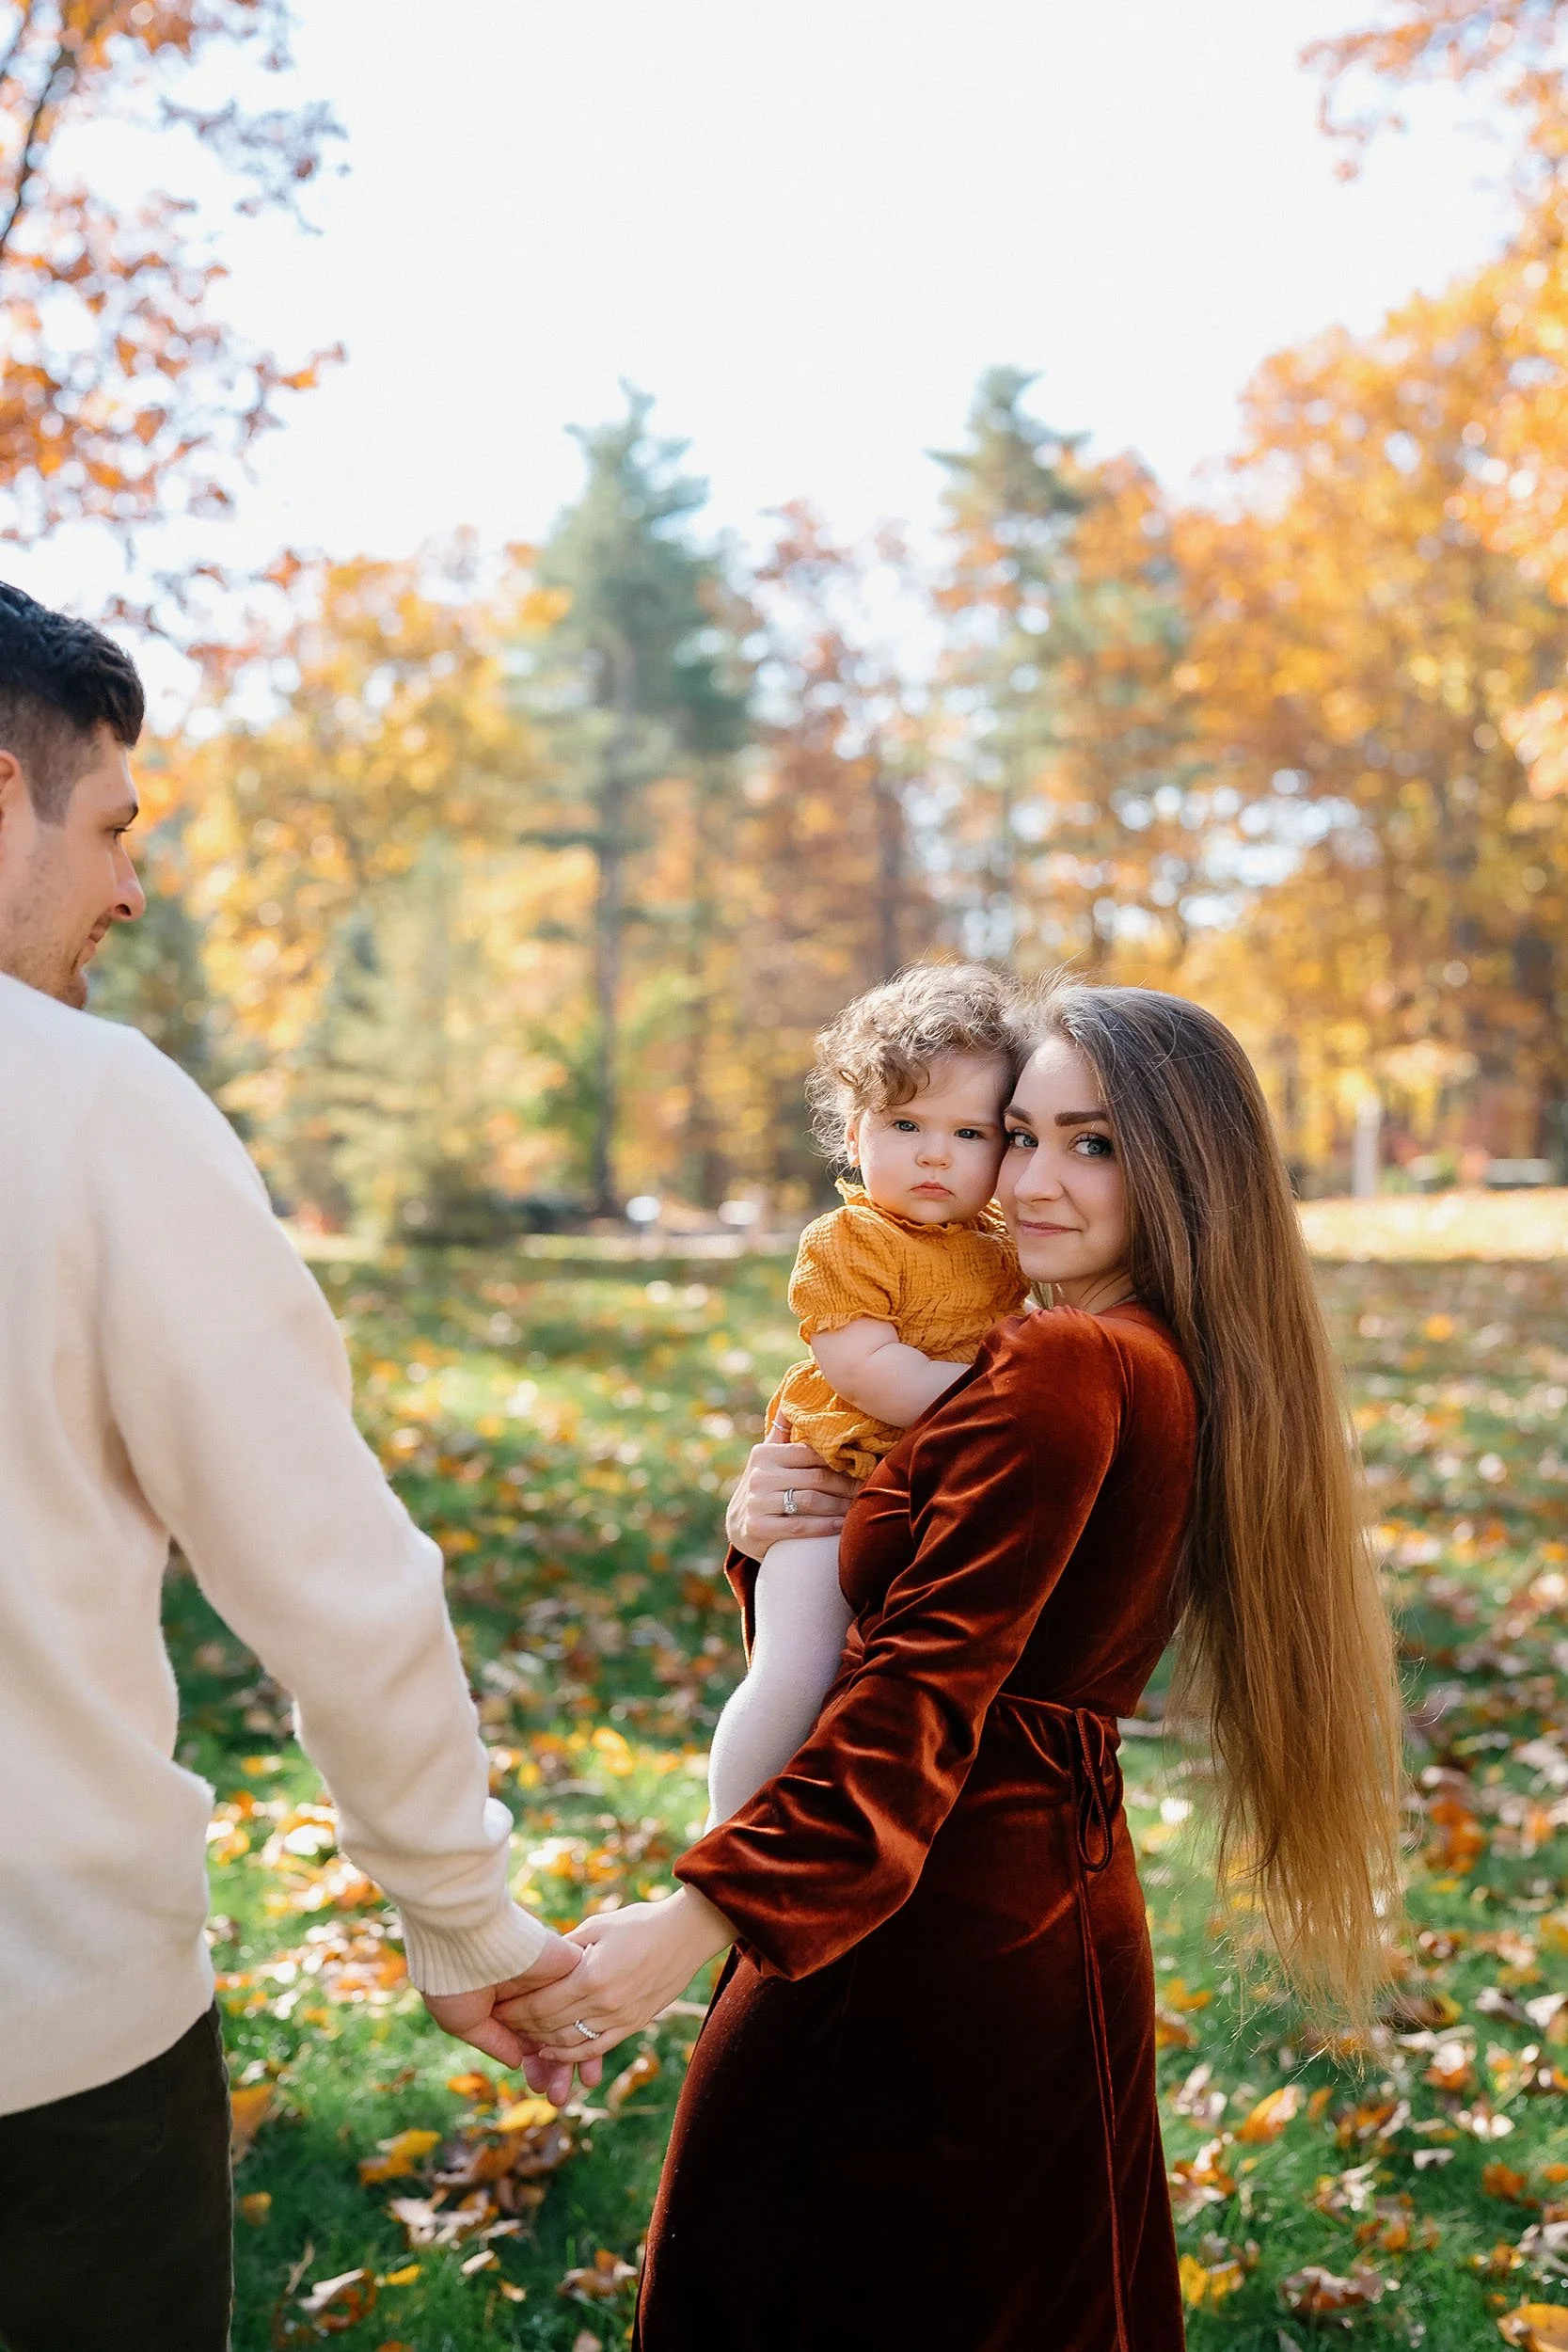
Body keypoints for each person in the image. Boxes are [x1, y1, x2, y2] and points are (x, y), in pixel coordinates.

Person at [501, 980, 1404, 2352]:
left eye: (1089, 1143)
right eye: (1016, 1136)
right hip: (1032, 1915)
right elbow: (934, 1621)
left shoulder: (1055, 1365)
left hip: (913, 1941)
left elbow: (920, 1694)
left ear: (1181, 1168)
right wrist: (776, 1532)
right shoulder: (1146, 1355)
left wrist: (696, 1922)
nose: (1031, 1180)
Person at [0, 583, 585, 2352]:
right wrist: (464, 1918)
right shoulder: (93, 1108)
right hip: (46, 2071)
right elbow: (335, 1588)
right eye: (111, 827)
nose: (132, 886)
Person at [705, 965, 1025, 1822]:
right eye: (905, 1123)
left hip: (934, 1501)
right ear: (854, 1133)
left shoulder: (1002, 1247)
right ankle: (723, 1845)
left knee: (891, 1702)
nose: (933, 1153)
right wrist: (995, 1397)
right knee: (796, 1671)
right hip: (833, 1493)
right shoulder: (849, 1238)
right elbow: (868, 1370)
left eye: (968, 1133)